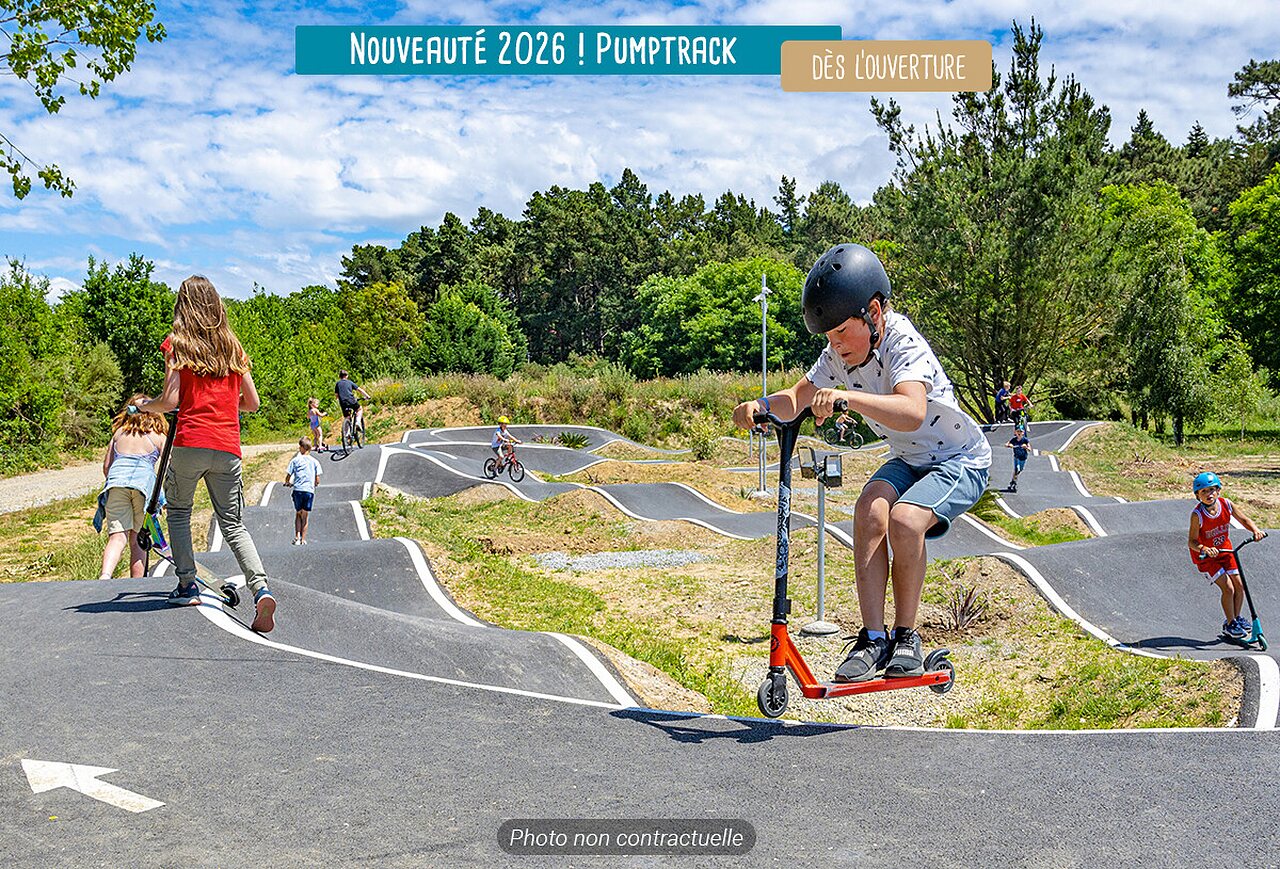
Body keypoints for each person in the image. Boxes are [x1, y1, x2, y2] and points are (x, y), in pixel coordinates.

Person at [733, 243, 991, 682]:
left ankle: (907, 635)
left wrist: (847, 397)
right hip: (910, 458)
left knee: (906, 522)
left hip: (959, 458)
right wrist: (757, 405)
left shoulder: (902, 343)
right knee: (869, 509)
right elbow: (798, 397)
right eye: (828, 338)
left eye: (840, 333)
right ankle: (873, 638)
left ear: (873, 312)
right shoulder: (839, 354)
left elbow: (911, 411)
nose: (834, 345)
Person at [134, 275, 277, 633]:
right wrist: (225, 405)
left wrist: (144, 406)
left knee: (180, 512)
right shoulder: (233, 347)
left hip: (190, 441)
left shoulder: (177, 345)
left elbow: (170, 401)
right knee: (232, 523)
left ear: (183, 305)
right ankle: (260, 590)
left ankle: (186, 585)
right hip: (227, 446)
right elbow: (254, 404)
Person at [94, 394, 169, 579]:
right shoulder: (158, 436)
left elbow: (106, 467)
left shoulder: (119, 434)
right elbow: (168, 468)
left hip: (116, 486)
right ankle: (137, 583)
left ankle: (105, 576)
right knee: (138, 540)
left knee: (117, 537)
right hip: (143, 490)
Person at [1188, 472, 1265, 639]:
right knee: (1228, 587)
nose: (1209, 495)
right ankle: (1229, 624)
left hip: (1226, 551)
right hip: (1206, 558)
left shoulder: (1227, 504)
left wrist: (1255, 530)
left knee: (1239, 585)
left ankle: (1235, 618)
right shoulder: (1198, 515)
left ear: (1218, 490)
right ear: (1197, 495)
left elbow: (1244, 519)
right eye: (1204, 492)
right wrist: (1204, 549)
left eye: (1211, 490)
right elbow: (1192, 542)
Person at [284, 437, 323, 546]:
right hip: (309, 491)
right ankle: (303, 539)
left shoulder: (295, 461)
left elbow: (288, 475)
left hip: (298, 490)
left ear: (301, 448)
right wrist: (315, 483)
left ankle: (297, 537)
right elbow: (317, 479)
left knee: (298, 514)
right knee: (305, 516)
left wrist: (288, 483)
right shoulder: (315, 462)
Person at [334, 370, 371, 436]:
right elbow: (359, 390)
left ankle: (347, 433)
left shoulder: (338, 384)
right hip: (351, 400)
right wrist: (367, 396)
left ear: (339, 376)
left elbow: (336, 395)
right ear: (347, 376)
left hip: (343, 402)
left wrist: (339, 399)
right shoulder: (350, 382)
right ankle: (358, 422)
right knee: (359, 409)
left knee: (347, 417)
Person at [1005, 424, 1031, 492]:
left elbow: (1029, 449)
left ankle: (1013, 481)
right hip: (1017, 457)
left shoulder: (1025, 440)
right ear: (1015, 432)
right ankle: (1014, 483)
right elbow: (1007, 444)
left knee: (1020, 470)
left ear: (1023, 433)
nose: (1019, 433)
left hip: (1023, 457)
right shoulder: (1014, 440)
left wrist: (1026, 447)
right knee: (1017, 469)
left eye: (1020, 432)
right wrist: (1009, 445)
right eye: (1017, 431)